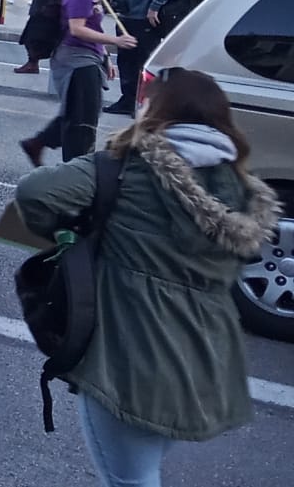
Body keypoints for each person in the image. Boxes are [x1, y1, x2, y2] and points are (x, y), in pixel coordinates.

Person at [14, 68, 281, 486]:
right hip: (202, 358)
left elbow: (34, 193)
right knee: (143, 471)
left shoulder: (130, 169)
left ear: (156, 111)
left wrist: (70, 231)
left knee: (130, 480)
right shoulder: (243, 189)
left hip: (131, 353)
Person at [19, 0, 136, 167]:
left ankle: (39, 143)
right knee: (82, 119)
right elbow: (77, 28)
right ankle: (76, 167)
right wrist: (115, 41)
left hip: (88, 57)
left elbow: (95, 26)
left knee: (78, 113)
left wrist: (105, 56)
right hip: (75, 59)